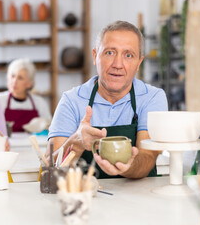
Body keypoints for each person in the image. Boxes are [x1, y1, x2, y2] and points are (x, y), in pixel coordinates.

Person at [48, 21, 168, 179]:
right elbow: (50, 167)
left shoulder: (152, 97)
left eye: (128, 55)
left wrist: (127, 167)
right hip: (85, 198)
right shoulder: (71, 100)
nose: (118, 64)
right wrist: (76, 143)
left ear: (139, 63)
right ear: (95, 56)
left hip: (138, 199)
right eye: (110, 53)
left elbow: (148, 157)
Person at [0, 58, 51, 132]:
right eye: (12, 76)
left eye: (20, 78)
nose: (14, 81)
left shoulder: (39, 102)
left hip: (33, 143)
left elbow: (49, 126)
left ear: (30, 83)